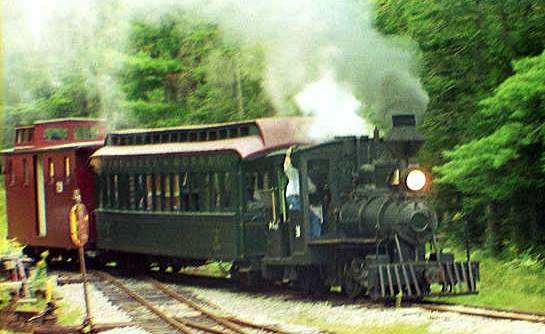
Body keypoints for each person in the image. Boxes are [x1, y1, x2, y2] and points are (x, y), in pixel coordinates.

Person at [284, 147, 321, 238]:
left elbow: (313, 189)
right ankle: (303, 239)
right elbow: (286, 168)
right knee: (300, 219)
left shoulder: (305, 176)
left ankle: (314, 238)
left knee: (315, 218)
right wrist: (288, 155)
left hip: (301, 200)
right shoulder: (294, 172)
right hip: (293, 199)